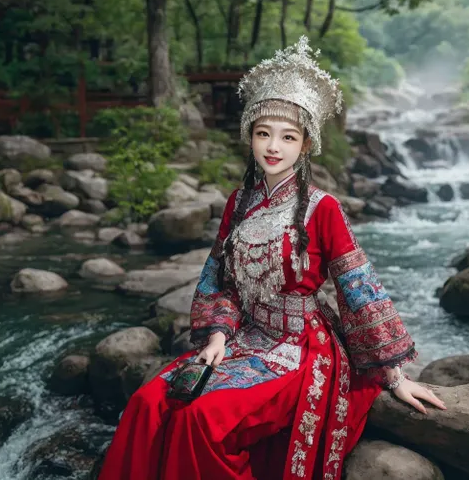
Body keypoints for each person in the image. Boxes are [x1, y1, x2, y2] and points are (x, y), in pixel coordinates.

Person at [97, 36, 446, 480]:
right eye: (264, 133)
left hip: (299, 348)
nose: (273, 146)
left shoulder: (323, 208)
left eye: (288, 136)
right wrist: (218, 334)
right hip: (242, 337)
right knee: (148, 402)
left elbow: (359, 289)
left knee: (199, 418)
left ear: (306, 144)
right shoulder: (238, 202)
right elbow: (217, 280)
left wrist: (395, 378)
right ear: (250, 137)